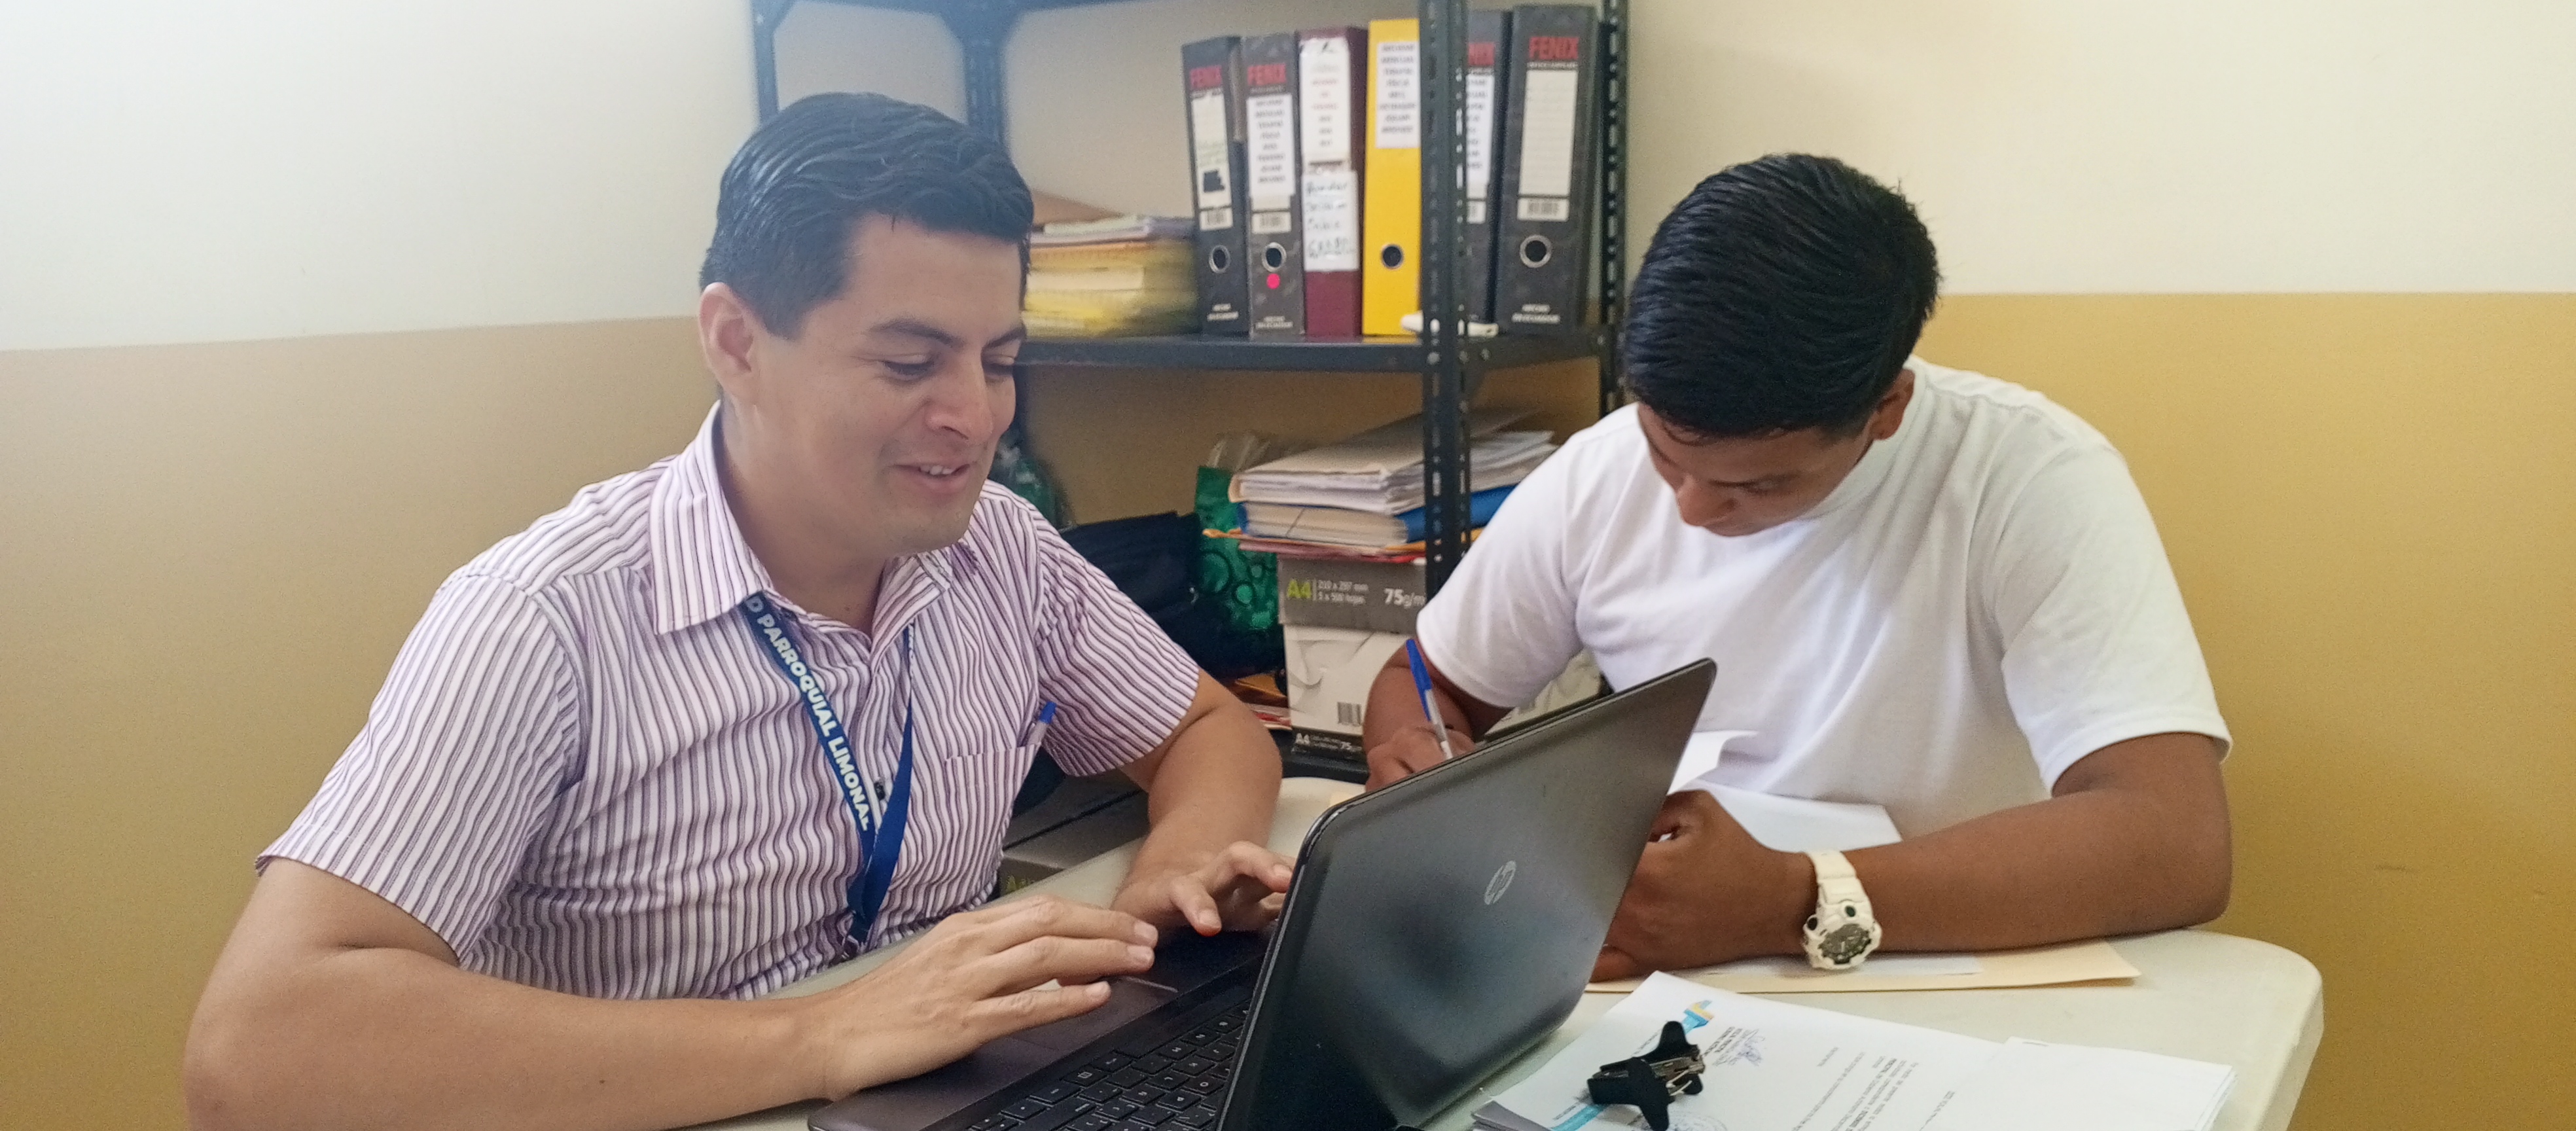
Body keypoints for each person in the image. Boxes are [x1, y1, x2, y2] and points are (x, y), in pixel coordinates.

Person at [184, 93, 1294, 1131]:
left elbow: (1208, 730)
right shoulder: (544, 620)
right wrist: (823, 1035)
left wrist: (1179, 868)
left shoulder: (999, 548)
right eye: (909, 362)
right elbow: (257, 1049)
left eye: (999, 361)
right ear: (736, 343)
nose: (974, 415)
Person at [1362, 154, 2232, 982]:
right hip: (1665, 973)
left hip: (1945, 971)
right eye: (1666, 453)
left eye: (1760, 485)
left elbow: (2173, 841)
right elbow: (1424, 682)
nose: (1691, 509)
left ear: (1887, 409)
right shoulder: (1599, 471)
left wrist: (1792, 900)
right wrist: (1421, 763)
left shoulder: (2028, 477)